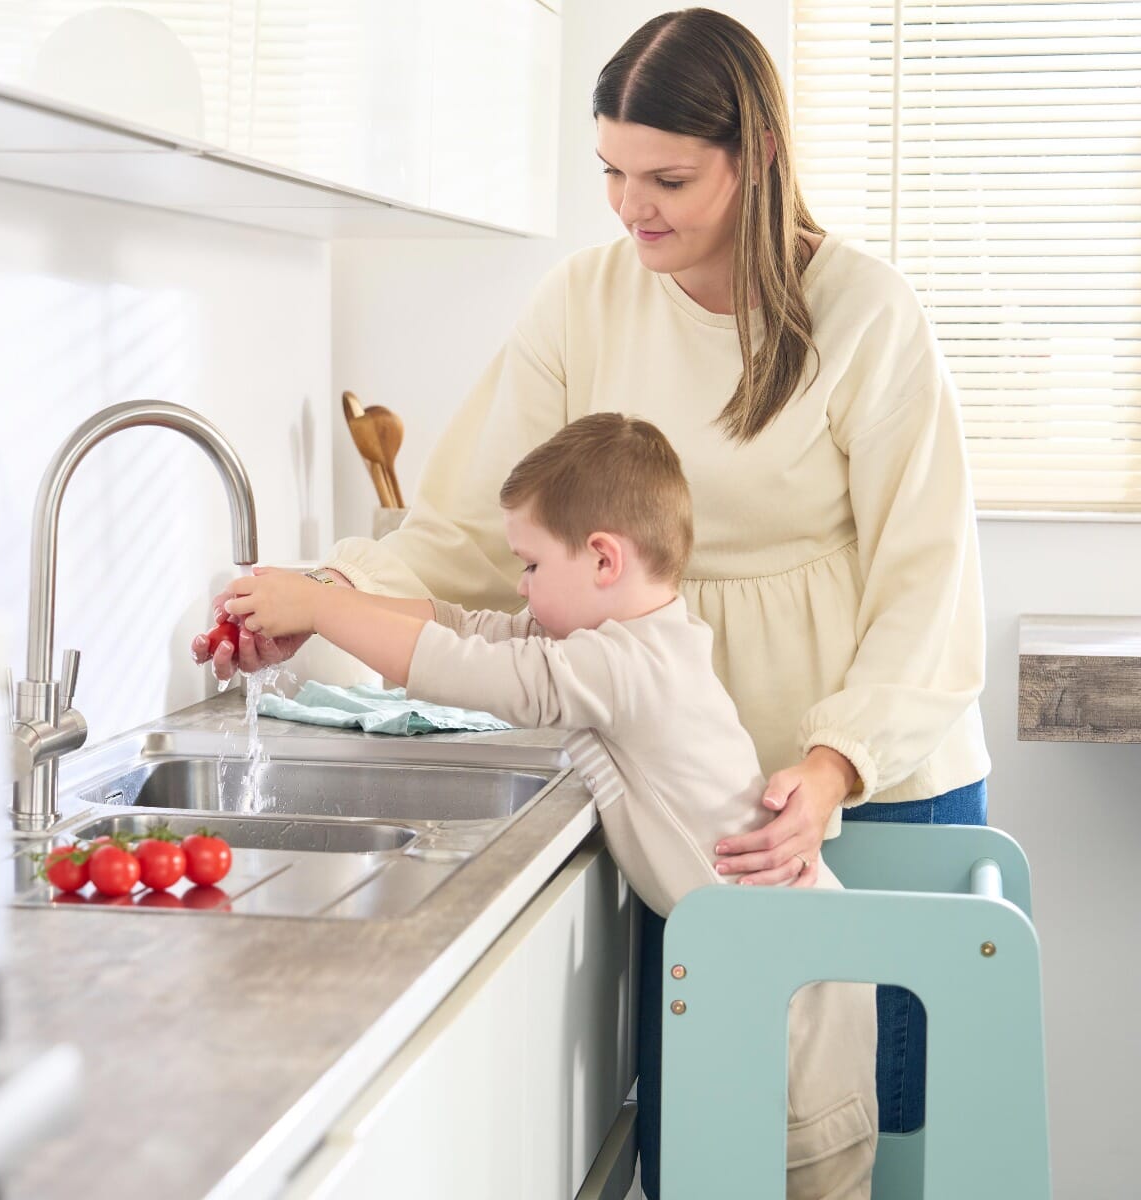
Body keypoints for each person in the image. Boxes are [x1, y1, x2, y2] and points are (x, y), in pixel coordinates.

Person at [193, 5, 990, 1189]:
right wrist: (319, 595)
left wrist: (827, 773)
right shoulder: (585, 301)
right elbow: (468, 529)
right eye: (611, 171)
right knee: (717, 1150)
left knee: (869, 1151)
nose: (632, 208)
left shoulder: (866, 314)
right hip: (697, 806)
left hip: (864, 787)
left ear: (759, 154)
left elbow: (928, 585)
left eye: (667, 176)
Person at [221, 413, 878, 1200]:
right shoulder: (640, 639)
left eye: (530, 564)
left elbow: (477, 672)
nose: (521, 585)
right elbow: (471, 629)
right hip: (772, 969)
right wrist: (312, 603)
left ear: (603, 558)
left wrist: (323, 608)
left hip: (794, 1000)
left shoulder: (628, 665)